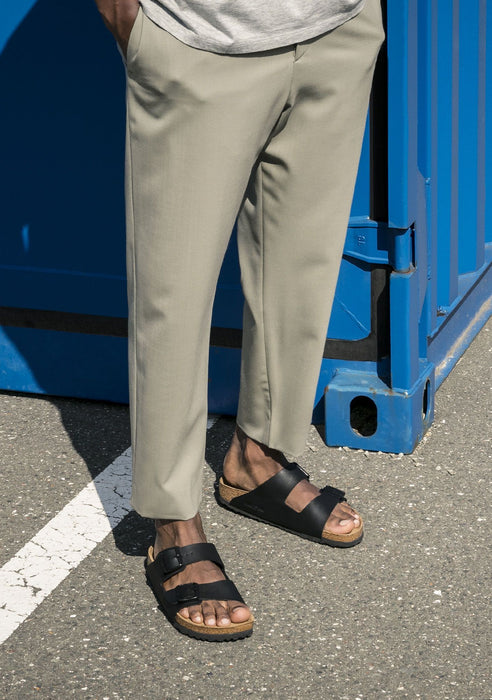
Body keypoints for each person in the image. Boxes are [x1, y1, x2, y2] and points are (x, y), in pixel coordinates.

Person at [94, 0, 385, 641]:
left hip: (338, 26)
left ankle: (257, 458)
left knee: (300, 265)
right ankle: (172, 520)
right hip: (200, 38)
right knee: (174, 289)